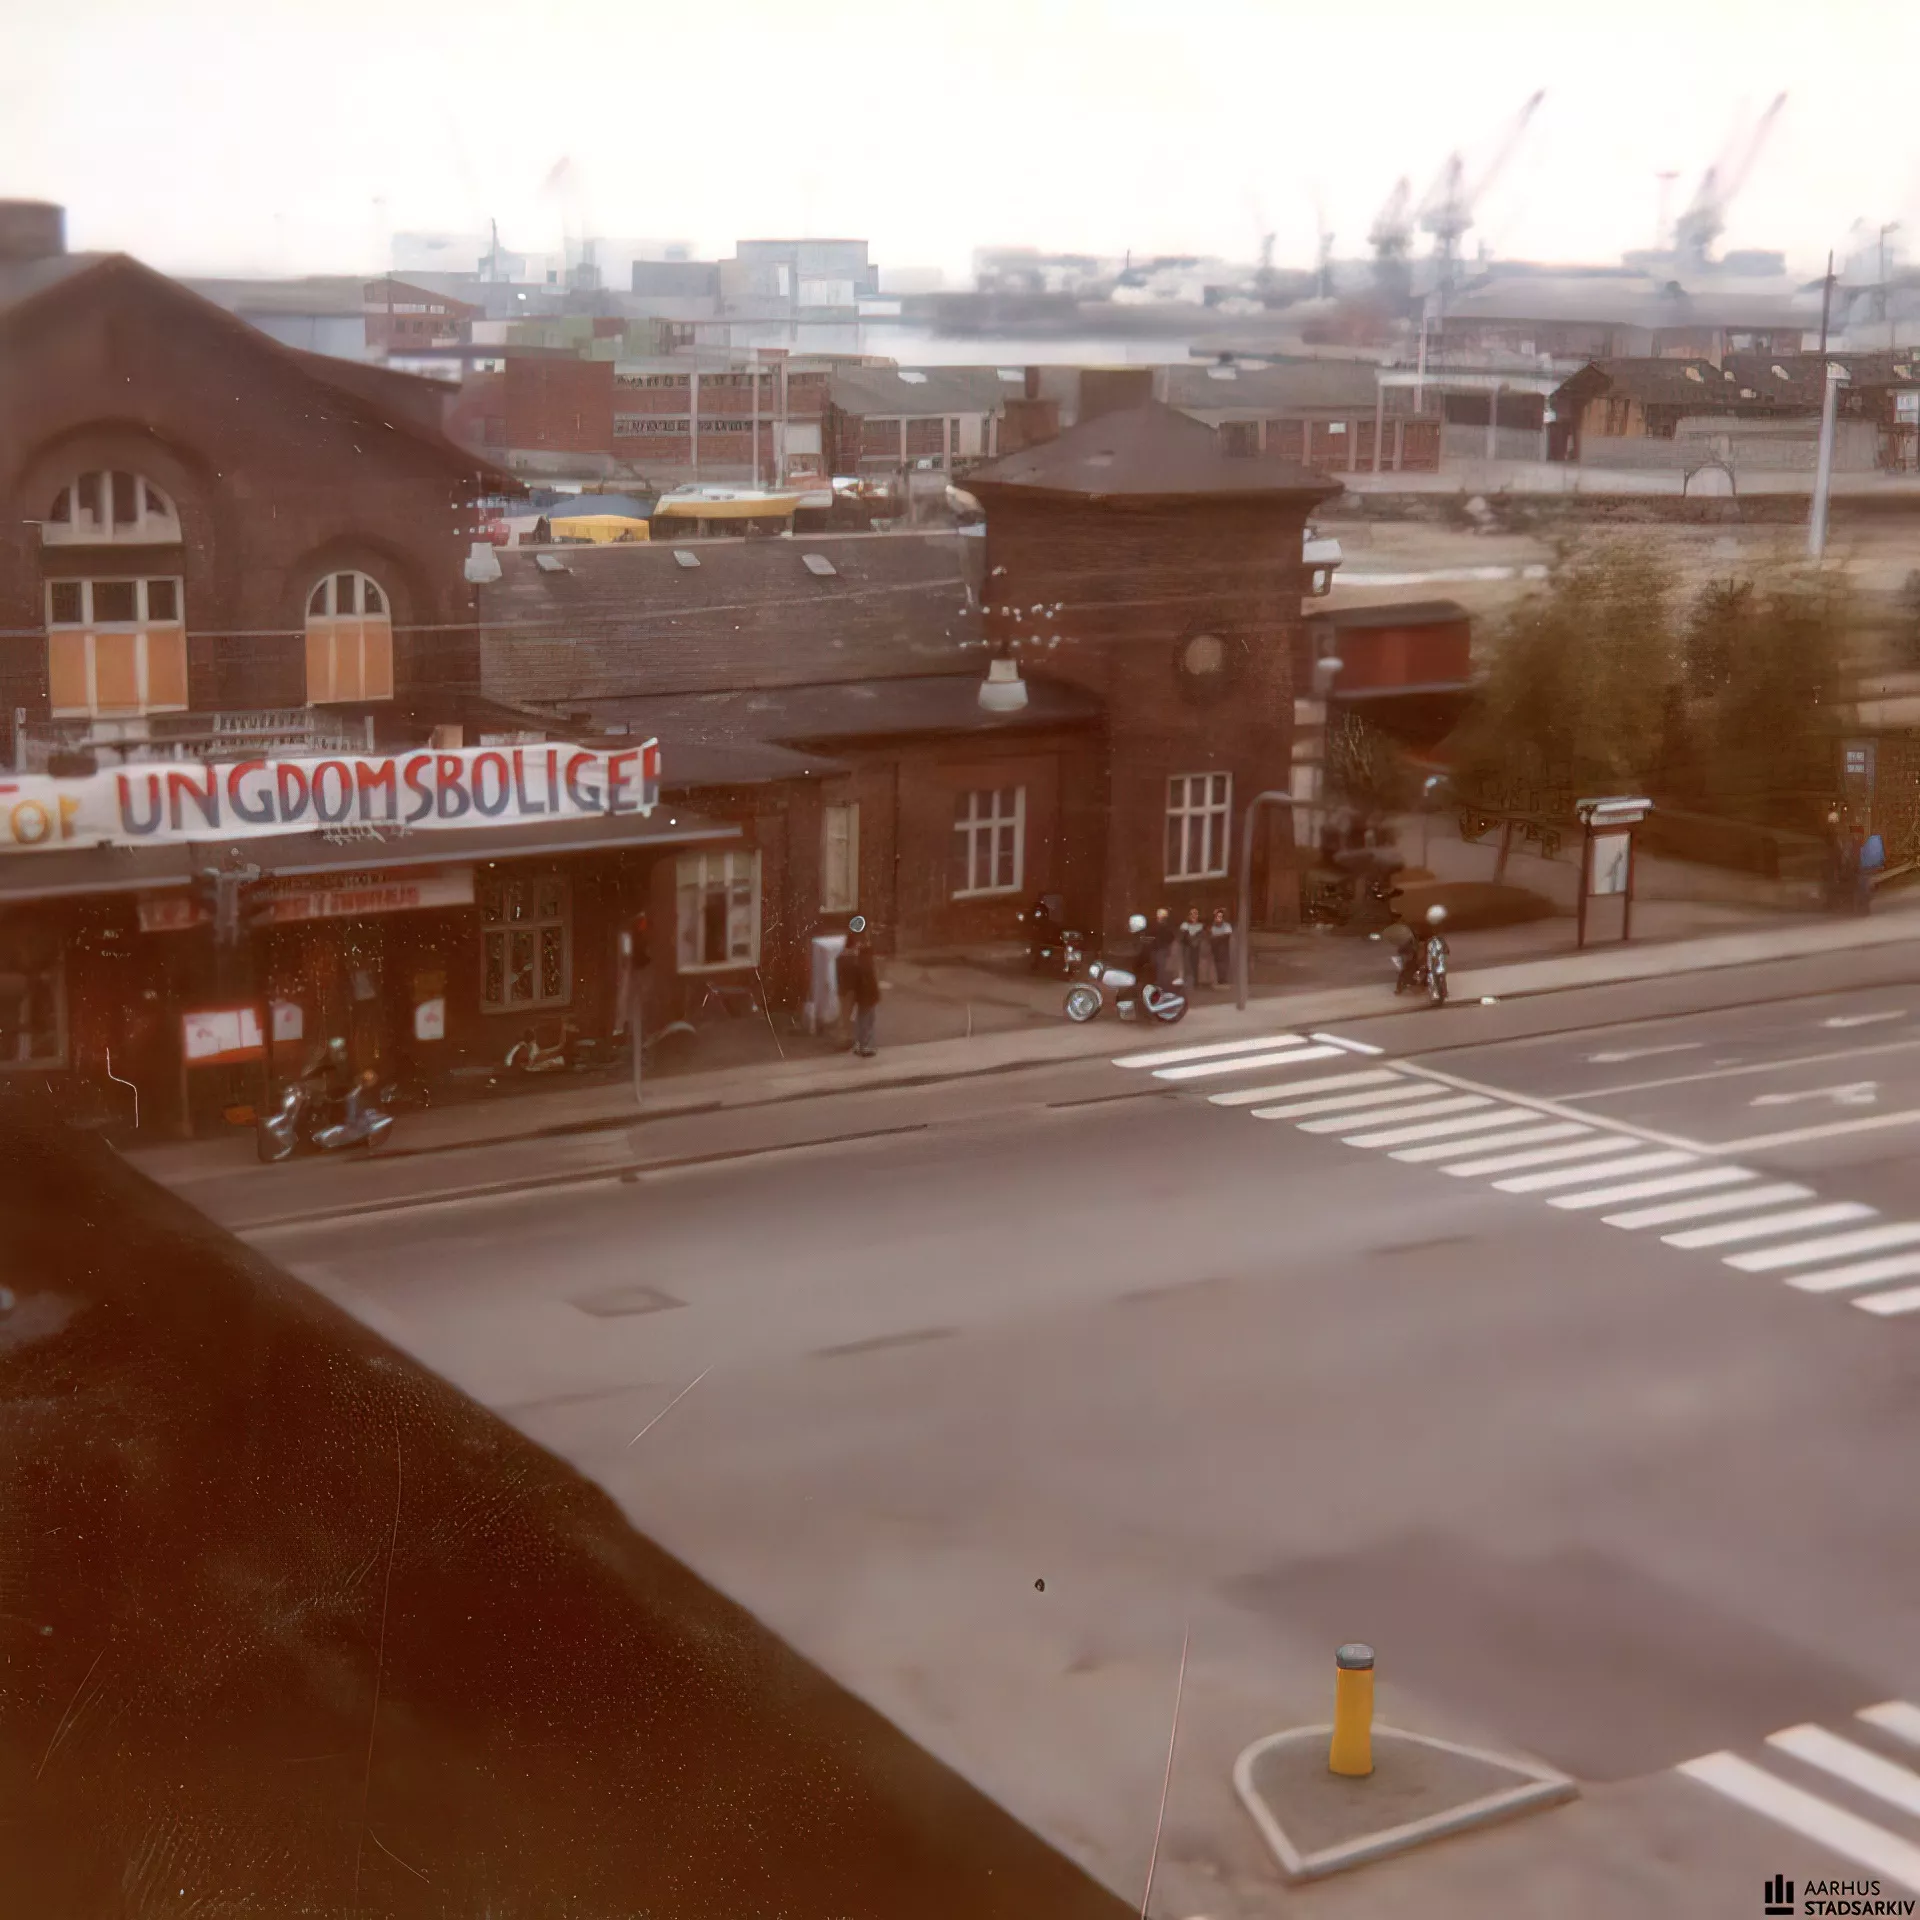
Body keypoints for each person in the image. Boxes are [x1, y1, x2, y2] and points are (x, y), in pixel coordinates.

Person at [844, 928, 881, 1057]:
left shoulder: (857, 960)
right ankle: (865, 1046)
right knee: (868, 1020)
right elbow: (870, 980)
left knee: (861, 1019)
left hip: (861, 995)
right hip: (868, 995)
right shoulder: (866, 962)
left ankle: (859, 1044)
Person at [1150, 907, 1178, 991]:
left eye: (1165, 916)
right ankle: (1161, 986)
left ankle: (1163, 986)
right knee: (1160, 968)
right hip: (1157, 950)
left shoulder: (1166, 926)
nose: (1164, 918)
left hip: (1163, 949)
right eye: (1163, 916)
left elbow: (1171, 937)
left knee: (1163, 969)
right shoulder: (1154, 926)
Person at [1178, 906, 1205, 988]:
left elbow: (1201, 937)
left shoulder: (1200, 926)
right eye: (1192, 914)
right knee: (1186, 965)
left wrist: (1195, 941)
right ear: (1189, 915)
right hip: (1186, 948)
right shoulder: (1184, 925)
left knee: (1195, 965)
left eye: (1195, 913)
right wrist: (1190, 940)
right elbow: (1182, 938)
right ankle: (1186, 982)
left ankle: (1195, 982)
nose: (1193, 915)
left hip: (1196, 949)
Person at [1208, 907, 1234, 988]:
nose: (1218, 918)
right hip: (1215, 948)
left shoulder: (1227, 925)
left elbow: (1226, 936)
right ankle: (1220, 979)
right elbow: (1211, 936)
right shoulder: (1213, 926)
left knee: (1223, 964)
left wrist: (1216, 937)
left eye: (1220, 916)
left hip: (1223, 948)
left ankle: (1223, 979)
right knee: (1217, 964)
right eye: (1217, 916)